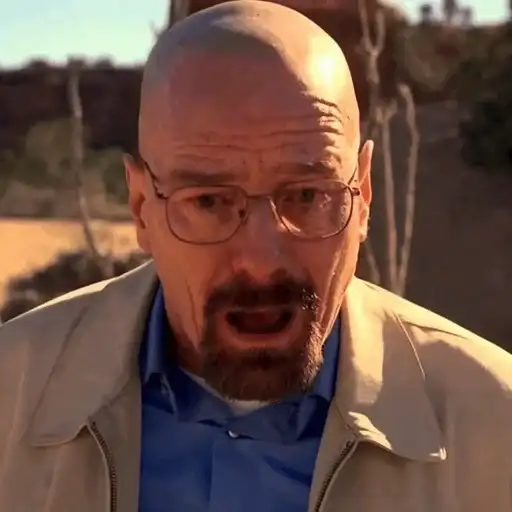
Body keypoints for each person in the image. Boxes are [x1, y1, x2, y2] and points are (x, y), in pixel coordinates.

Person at [1, 1, 511, 511]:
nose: (262, 261)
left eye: (308, 196)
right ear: (140, 208)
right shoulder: (11, 396)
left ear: (364, 196)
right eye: (208, 202)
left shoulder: (495, 431)